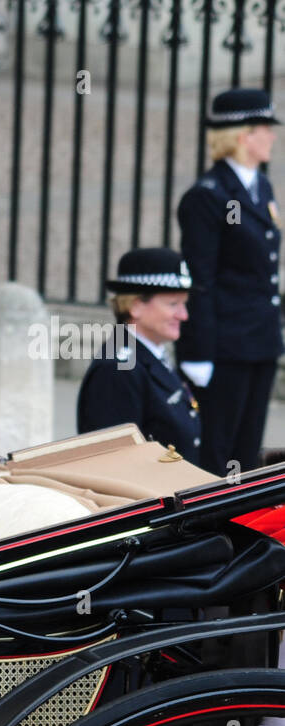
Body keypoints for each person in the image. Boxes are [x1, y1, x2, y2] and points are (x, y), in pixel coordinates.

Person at [177, 86, 284, 477]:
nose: (272, 135)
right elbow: (200, 280)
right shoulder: (208, 197)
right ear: (243, 136)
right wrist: (197, 352)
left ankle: (243, 526)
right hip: (225, 346)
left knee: (247, 446)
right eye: (264, 128)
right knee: (218, 449)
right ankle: (213, 530)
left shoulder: (261, 186)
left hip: (259, 341)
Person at [77, 247, 201, 461]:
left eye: (184, 304)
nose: (184, 315)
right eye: (173, 304)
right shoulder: (119, 368)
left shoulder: (150, 354)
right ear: (136, 306)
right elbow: (115, 461)